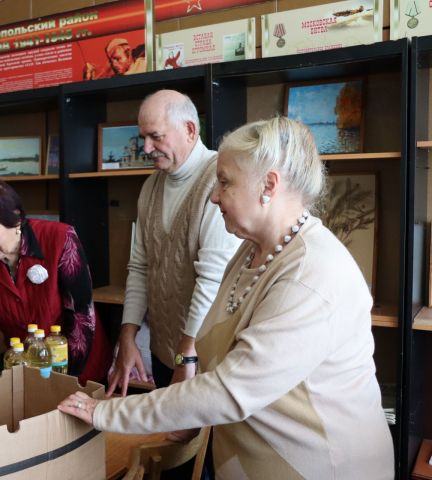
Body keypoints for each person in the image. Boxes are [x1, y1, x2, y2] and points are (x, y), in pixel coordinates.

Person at [59, 117, 395, 479]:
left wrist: (104, 413)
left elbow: (231, 391)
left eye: (224, 182)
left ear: (269, 185)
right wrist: (189, 413)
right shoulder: (253, 250)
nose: (214, 195)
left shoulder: (310, 275)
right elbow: (222, 352)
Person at [107, 89, 241, 396]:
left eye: (155, 136)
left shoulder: (219, 180)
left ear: (190, 130)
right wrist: (127, 337)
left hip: (203, 355)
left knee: (202, 442)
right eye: (143, 137)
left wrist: (186, 355)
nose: (146, 147)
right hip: (165, 350)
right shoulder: (150, 186)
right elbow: (140, 267)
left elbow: (212, 279)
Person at [0, 180, 111, 383]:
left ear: (16, 219)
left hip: (78, 366)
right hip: (26, 368)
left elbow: (81, 318)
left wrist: (64, 382)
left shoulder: (60, 240)